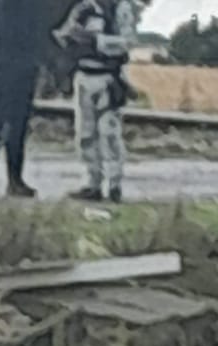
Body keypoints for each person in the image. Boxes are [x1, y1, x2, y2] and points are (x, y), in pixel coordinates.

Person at [58, 0, 139, 202]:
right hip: (83, 74)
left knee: (109, 133)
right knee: (85, 133)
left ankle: (114, 185)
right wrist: (69, 37)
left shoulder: (121, 9)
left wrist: (95, 41)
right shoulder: (83, 8)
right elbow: (66, 33)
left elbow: (127, 42)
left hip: (107, 77)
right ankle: (92, 182)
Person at [0, 0, 42, 198]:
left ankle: (7, 179)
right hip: (7, 58)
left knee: (14, 122)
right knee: (1, 119)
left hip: (17, 58)